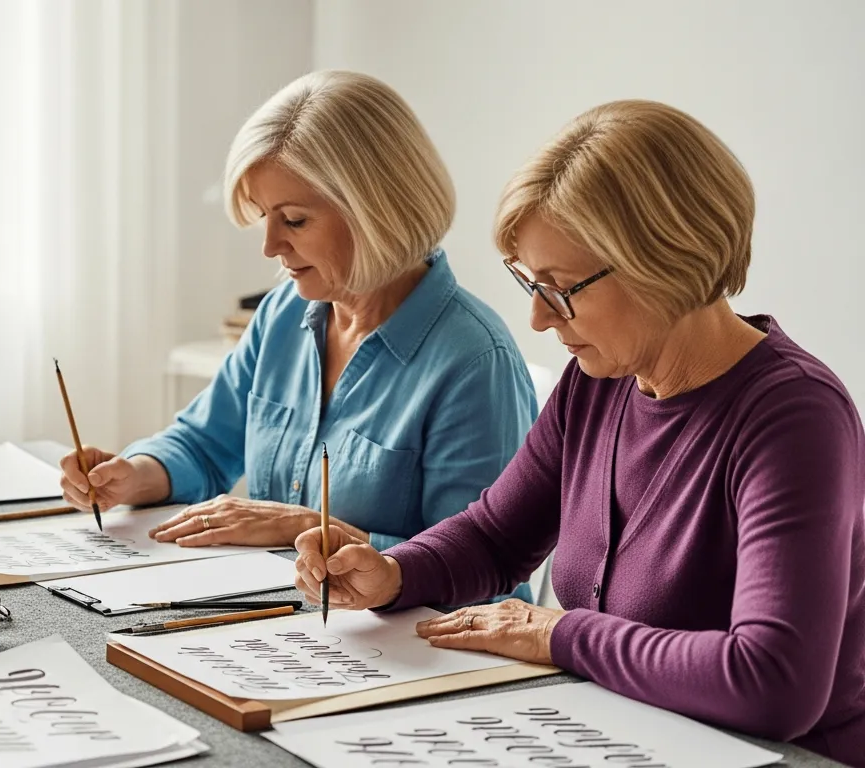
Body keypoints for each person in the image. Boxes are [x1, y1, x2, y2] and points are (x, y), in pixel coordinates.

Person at [294, 99, 865, 765]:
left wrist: (560, 635)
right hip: (623, 735)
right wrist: (392, 573)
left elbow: (774, 683)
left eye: (560, 289)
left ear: (665, 262)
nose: (539, 319)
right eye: (530, 285)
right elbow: (497, 537)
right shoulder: (600, 379)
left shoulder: (794, 417)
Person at [61, 70, 537, 603]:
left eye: (293, 220)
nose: (269, 245)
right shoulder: (286, 312)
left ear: (375, 209)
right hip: (281, 625)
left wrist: (302, 527)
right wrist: (135, 475)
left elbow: (483, 577)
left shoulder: (474, 362)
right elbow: (204, 443)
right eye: (264, 216)